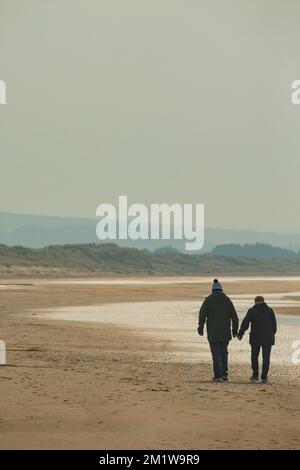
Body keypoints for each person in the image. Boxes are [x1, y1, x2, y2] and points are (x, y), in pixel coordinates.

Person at [198, 278, 239, 382]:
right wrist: (235, 331)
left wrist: (200, 328)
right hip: (225, 333)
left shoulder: (208, 300)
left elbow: (202, 315)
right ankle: (224, 374)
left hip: (213, 333)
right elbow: (234, 317)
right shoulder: (227, 300)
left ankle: (218, 375)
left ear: (213, 289)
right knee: (224, 353)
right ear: (221, 289)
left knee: (215, 354)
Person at [237, 295, 277, 383]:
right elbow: (274, 325)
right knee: (266, 357)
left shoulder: (252, 311)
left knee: (254, 356)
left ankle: (255, 375)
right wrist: (271, 334)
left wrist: (240, 333)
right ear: (264, 301)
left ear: (255, 302)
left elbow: (245, 323)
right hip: (267, 337)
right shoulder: (270, 310)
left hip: (255, 337)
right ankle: (264, 377)